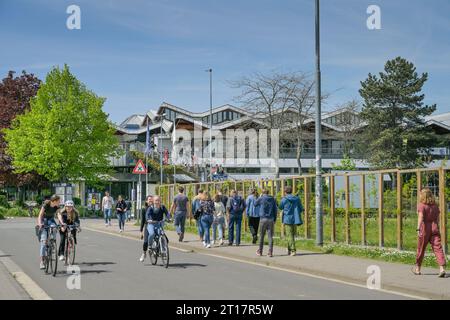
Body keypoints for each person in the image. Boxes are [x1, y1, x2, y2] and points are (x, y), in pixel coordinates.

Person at [412, 188, 446, 277]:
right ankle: (442, 268)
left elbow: (421, 217)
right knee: (438, 248)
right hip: (434, 227)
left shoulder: (421, 205)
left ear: (423, 195)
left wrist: (418, 229)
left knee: (421, 248)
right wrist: (436, 226)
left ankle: (418, 269)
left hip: (425, 228)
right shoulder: (435, 205)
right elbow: (438, 218)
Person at [37, 195, 60, 269]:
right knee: (43, 243)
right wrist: (40, 223)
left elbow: (59, 214)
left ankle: (52, 241)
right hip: (44, 221)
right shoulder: (46, 204)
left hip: (51, 220)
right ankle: (42, 262)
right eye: (58, 201)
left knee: (54, 227)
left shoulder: (57, 206)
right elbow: (40, 215)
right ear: (54, 201)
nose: (59, 202)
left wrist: (61, 222)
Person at [279, 186, 303, 256]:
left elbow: (280, 207)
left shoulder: (284, 199)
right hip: (295, 218)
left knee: (289, 235)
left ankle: (293, 250)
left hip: (287, 218)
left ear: (285, 192)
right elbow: (301, 208)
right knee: (291, 235)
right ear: (291, 191)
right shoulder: (297, 198)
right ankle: (289, 249)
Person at [255, 189, 277, 257]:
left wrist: (259, 196)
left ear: (262, 193)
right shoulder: (272, 199)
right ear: (268, 192)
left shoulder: (261, 198)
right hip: (271, 219)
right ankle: (270, 252)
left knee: (261, 236)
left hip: (263, 219)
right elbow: (275, 210)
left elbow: (255, 204)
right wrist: (275, 219)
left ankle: (260, 251)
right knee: (270, 236)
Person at [139, 195, 153, 262]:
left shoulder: (155, 207)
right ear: (147, 201)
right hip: (147, 226)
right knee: (145, 242)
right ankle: (144, 253)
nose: (150, 200)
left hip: (155, 225)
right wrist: (141, 231)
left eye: (151, 199)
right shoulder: (144, 209)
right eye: (149, 199)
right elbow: (143, 221)